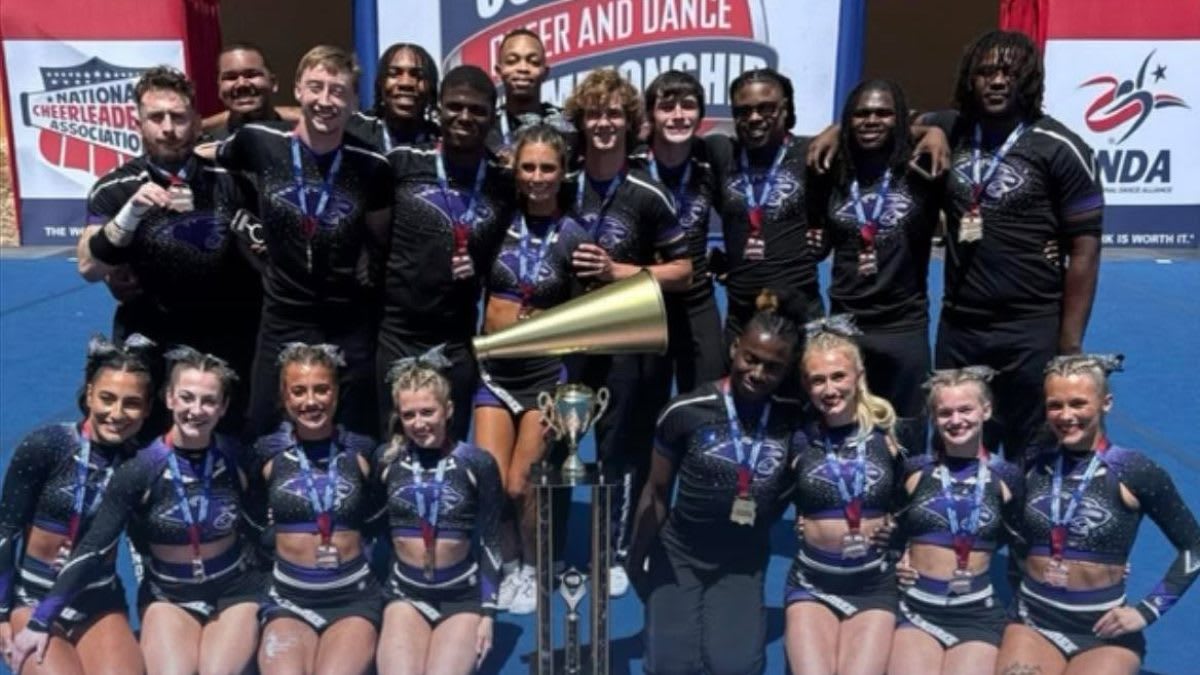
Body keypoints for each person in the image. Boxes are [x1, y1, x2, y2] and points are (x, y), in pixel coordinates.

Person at [11, 347, 262, 675]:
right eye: (186, 397)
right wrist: (19, 618)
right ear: (169, 399)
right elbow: (90, 543)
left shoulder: (232, 455)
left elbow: (264, 522)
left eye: (209, 401)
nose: (196, 410)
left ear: (223, 406)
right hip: (50, 594)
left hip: (119, 599)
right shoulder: (132, 467)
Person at [921, 30, 1103, 463]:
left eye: (1008, 71)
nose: (997, 80)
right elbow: (886, 119)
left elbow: (1085, 249)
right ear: (969, 79)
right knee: (955, 443)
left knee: (1033, 450)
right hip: (960, 325)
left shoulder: (1061, 147)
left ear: (1028, 79)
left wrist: (1070, 346)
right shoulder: (952, 130)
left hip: (1031, 326)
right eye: (985, 71)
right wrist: (927, 131)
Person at [207, 45, 393, 438]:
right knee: (262, 425)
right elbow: (207, 159)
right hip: (283, 315)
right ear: (296, 89)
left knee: (355, 430)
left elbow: (379, 239)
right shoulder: (258, 141)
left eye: (338, 91)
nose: (325, 101)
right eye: (316, 88)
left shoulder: (372, 165)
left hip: (347, 319)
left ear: (354, 100)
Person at [76, 66, 260, 435]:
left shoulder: (232, 180)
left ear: (195, 120)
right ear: (138, 122)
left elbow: (263, 256)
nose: (168, 127)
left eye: (178, 117)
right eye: (156, 117)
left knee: (231, 438)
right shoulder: (116, 188)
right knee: (145, 439)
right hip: (152, 333)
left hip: (230, 332)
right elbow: (89, 266)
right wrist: (132, 213)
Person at [628, 289, 805, 675]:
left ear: (788, 370)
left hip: (741, 560)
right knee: (670, 667)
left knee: (736, 667)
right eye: (751, 359)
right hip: (679, 553)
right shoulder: (685, 411)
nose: (758, 373)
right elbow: (657, 493)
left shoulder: (793, 420)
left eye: (772, 367)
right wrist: (635, 556)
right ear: (734, 349)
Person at [563, 68, 692, 595]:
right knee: (559, 443)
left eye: (614, 113)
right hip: (565, 335)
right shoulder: (560, 183)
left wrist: (620, 273)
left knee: (619, 447)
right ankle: (548, 546)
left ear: (631, 122)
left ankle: (615, 552)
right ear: (581, 121)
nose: (604, 123)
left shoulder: (647, 193)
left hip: (625, 341)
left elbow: (684, 272)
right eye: (594, 113)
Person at [996, 354, 1200, 675]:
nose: (1066, 416)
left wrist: (1148, 611)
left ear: (1106, 403)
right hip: (1032, 622)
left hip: (1103, 631)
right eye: (1055, 405)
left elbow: (1195, 546)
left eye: (1078, 404)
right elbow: (1004, 527)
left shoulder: (1134, 470)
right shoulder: (1035, 463)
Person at [473, 124, 590, 614]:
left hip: (545, 380)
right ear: (515, 172)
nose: (538, 177)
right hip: (495, 376)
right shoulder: (495, 222)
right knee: (489, 480)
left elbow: (588, 319)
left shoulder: (574, 236)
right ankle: (504, 560)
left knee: (524, 485)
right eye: (529, 167)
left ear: (563, 173)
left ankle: (530, 570)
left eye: (548, 167)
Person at [0, 335, 154, 675]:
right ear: (88, 395)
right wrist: (0, 615)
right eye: (107, 398)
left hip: (97, 601)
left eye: (131, 403)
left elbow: (149, 546)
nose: (116, 413)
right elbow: (5, 532)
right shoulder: (47, 446)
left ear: (147, 408)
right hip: (33, 596)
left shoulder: (141, 466)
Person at [380, 65, 513, 442]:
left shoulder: (505, 184)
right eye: (455, 107)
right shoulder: (402, 162)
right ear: (437, 109)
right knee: (391, 449)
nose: (465, 117)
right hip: (396, 332)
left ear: (492, 115)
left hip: (457, 339)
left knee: (449, 453)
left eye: (477, 110)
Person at [813, 79, 941, 453]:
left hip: (903, 326)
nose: (871, 121)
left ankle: (906, 508)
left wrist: (929, 129)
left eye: (883, 113)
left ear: (899, 119)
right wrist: (835, 129)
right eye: (861, 114)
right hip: (847, 324)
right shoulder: (833, 171)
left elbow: (952, 121)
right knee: (846, 426)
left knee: (908, 434)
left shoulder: (921, 169)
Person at [250, 343, 381, 674]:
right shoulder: (266, 452)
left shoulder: (363, 450)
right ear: (285, 396)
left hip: (353, 599)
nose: (311, 401)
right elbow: (246, 519)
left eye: (321, 389)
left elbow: (383, 517)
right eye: (299, 391)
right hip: (288, 601)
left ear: (336, 392)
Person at [784, 315, 905, 675]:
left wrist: (901, 536)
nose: (829, 389)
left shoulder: (891, 439)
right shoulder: (799, 440)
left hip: (873, 584)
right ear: (806, 386)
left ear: (859, 376)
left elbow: (921, 503)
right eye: (817, 380)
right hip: (812, 581)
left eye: (838, 376)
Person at [885, 367, 1022, 675]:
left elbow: (1023, 544)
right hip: (916, 608)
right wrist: (898, 557)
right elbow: (889, 530)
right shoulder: (915, 470)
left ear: (985, 410)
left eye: (965, 409)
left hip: (977, 614)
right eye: (945, 413)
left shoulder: (1007, 476)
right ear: (934, 418)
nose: (956, 420)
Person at [374, 350, 503, 675]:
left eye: (427, 412)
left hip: (461, 596)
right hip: (406, 593)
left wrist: (488, 612)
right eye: (408, 415)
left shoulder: (477, 462)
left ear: (448, 410)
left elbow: (492, 537)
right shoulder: (386, 461)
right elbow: (370, 527)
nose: (419, 423)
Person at [708, 68, 824, 344]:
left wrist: (838, 129)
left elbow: (894, 132)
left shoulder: (811, 152)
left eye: (766, 108)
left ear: (786, 109)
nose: (755, 118)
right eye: (743, 111)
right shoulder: (721, 154)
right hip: (741, 317)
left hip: (801, 313)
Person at [631, 70, 726, 395]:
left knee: (709, 396)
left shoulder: (712, 157)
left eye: (688, 106)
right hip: (645, 300)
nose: (678, 116)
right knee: (642, 406)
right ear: (650, 115)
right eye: (667, 107)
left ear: (701, 114)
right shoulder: (632, 162)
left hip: (696, 297)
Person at [487, 28, 576, 165]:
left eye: (533, 62)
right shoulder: (487, 129)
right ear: (499, 71)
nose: (523, 68)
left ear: (545, 72)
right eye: (512, 61)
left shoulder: (567, 127)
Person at [348, 43, 441, 151]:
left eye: (418, 75)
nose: (406, 83)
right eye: (394, 74)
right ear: (380, 83)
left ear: (432, 87)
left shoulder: (442, 143)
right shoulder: (352, 133)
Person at [203, 42, 289, 140]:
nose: (242, 84)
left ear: (273, 83)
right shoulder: (207, 148)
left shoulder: (302, 141)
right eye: (231, 77)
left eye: (251, 75)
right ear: (219, 87)